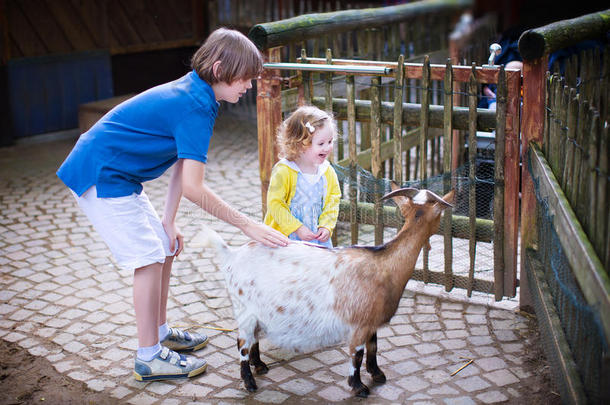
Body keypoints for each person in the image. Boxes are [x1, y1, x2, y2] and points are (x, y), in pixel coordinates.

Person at [56, 28, 289, 382]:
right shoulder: (195, 105)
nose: (248, 87)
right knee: (148, 258)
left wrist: (169, 220)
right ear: (219, 66)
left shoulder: (201, 95)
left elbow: (183, 167)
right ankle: (148, 357)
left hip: (118, 176)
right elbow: (195, 188)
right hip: (99, 173)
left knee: (163, 246)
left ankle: (160, 333)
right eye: (244, 78)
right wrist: (246, 224)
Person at [263, 105, 341, 247]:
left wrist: (326, 226)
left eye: (330, 141)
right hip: (285, 240)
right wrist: (297, 228)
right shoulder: (284, 171)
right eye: (321, 143)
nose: (327, 147)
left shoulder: (326, 171)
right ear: (300, 144)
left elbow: (333, 200)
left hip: (316, 240)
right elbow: (275, 204)